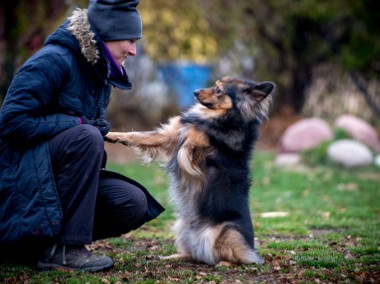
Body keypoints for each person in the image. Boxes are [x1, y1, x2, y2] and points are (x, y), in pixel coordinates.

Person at [0, 0, 164, 272]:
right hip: (17, 181)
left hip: (49, 183)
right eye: (130, 40)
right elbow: (10, 122)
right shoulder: (53, 60)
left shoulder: (96, 70)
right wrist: (77, 124)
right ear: (107, 34)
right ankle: (67, 249)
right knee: (86, 137)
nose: (134, 51)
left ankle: (41, 246)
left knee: (132, 202)